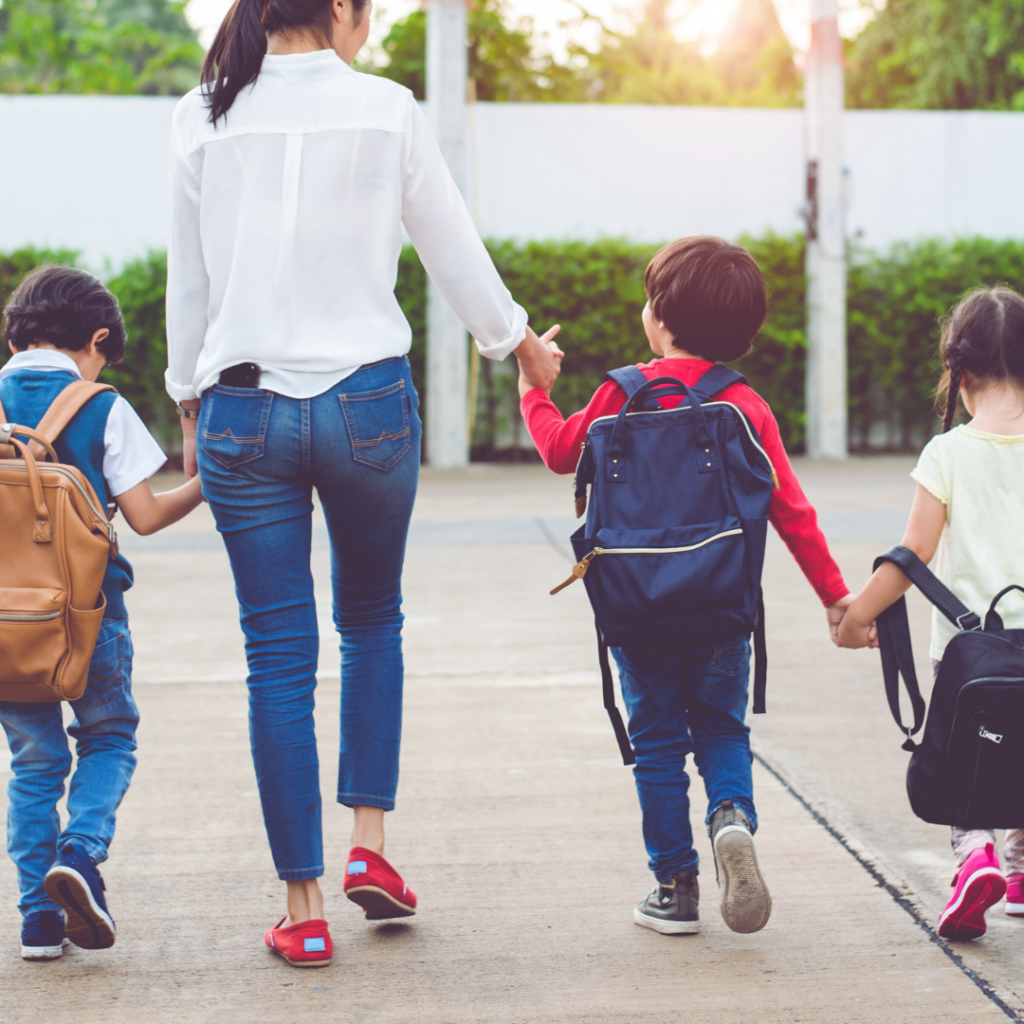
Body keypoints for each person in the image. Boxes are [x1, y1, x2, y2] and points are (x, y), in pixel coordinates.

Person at [164, 0, 562, 968]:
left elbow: (191, 282)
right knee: (372, 619)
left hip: (244, 411)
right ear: (340, 10)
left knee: (275, 653)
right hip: (368, 407)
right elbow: (452, 250)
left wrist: (186, 400)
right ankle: (369, 847)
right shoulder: (389, 110)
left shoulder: (202, 114)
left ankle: (301, 908)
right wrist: (519, 346)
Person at [517, 236, 853, 935]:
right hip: (722, 607)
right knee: (724, 730)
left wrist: (533, 391)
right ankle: (731, 818)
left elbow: (558, 453)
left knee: (660, 745)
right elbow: (792, 510)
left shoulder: (619, 393)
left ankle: (675, 889)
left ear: (660, 321)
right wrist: (835, 596)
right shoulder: (744, 405)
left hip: (635, 610)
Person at [0, 265, 204, 959]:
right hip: (89, 619)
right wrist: (203, 483)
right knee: (110, 736)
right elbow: (145, 517)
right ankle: (80, 855)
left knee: (33, 764)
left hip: (4, 628)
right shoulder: (102, 406)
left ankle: (37, 922)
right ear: (94, 340)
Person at [839, 286, 1024, 940]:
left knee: (970, 758)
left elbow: (913, 554)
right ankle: (1022, 868)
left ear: (962, 373)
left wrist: (858, 615)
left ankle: (975, 852)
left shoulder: (947, 454)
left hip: (968, 653)